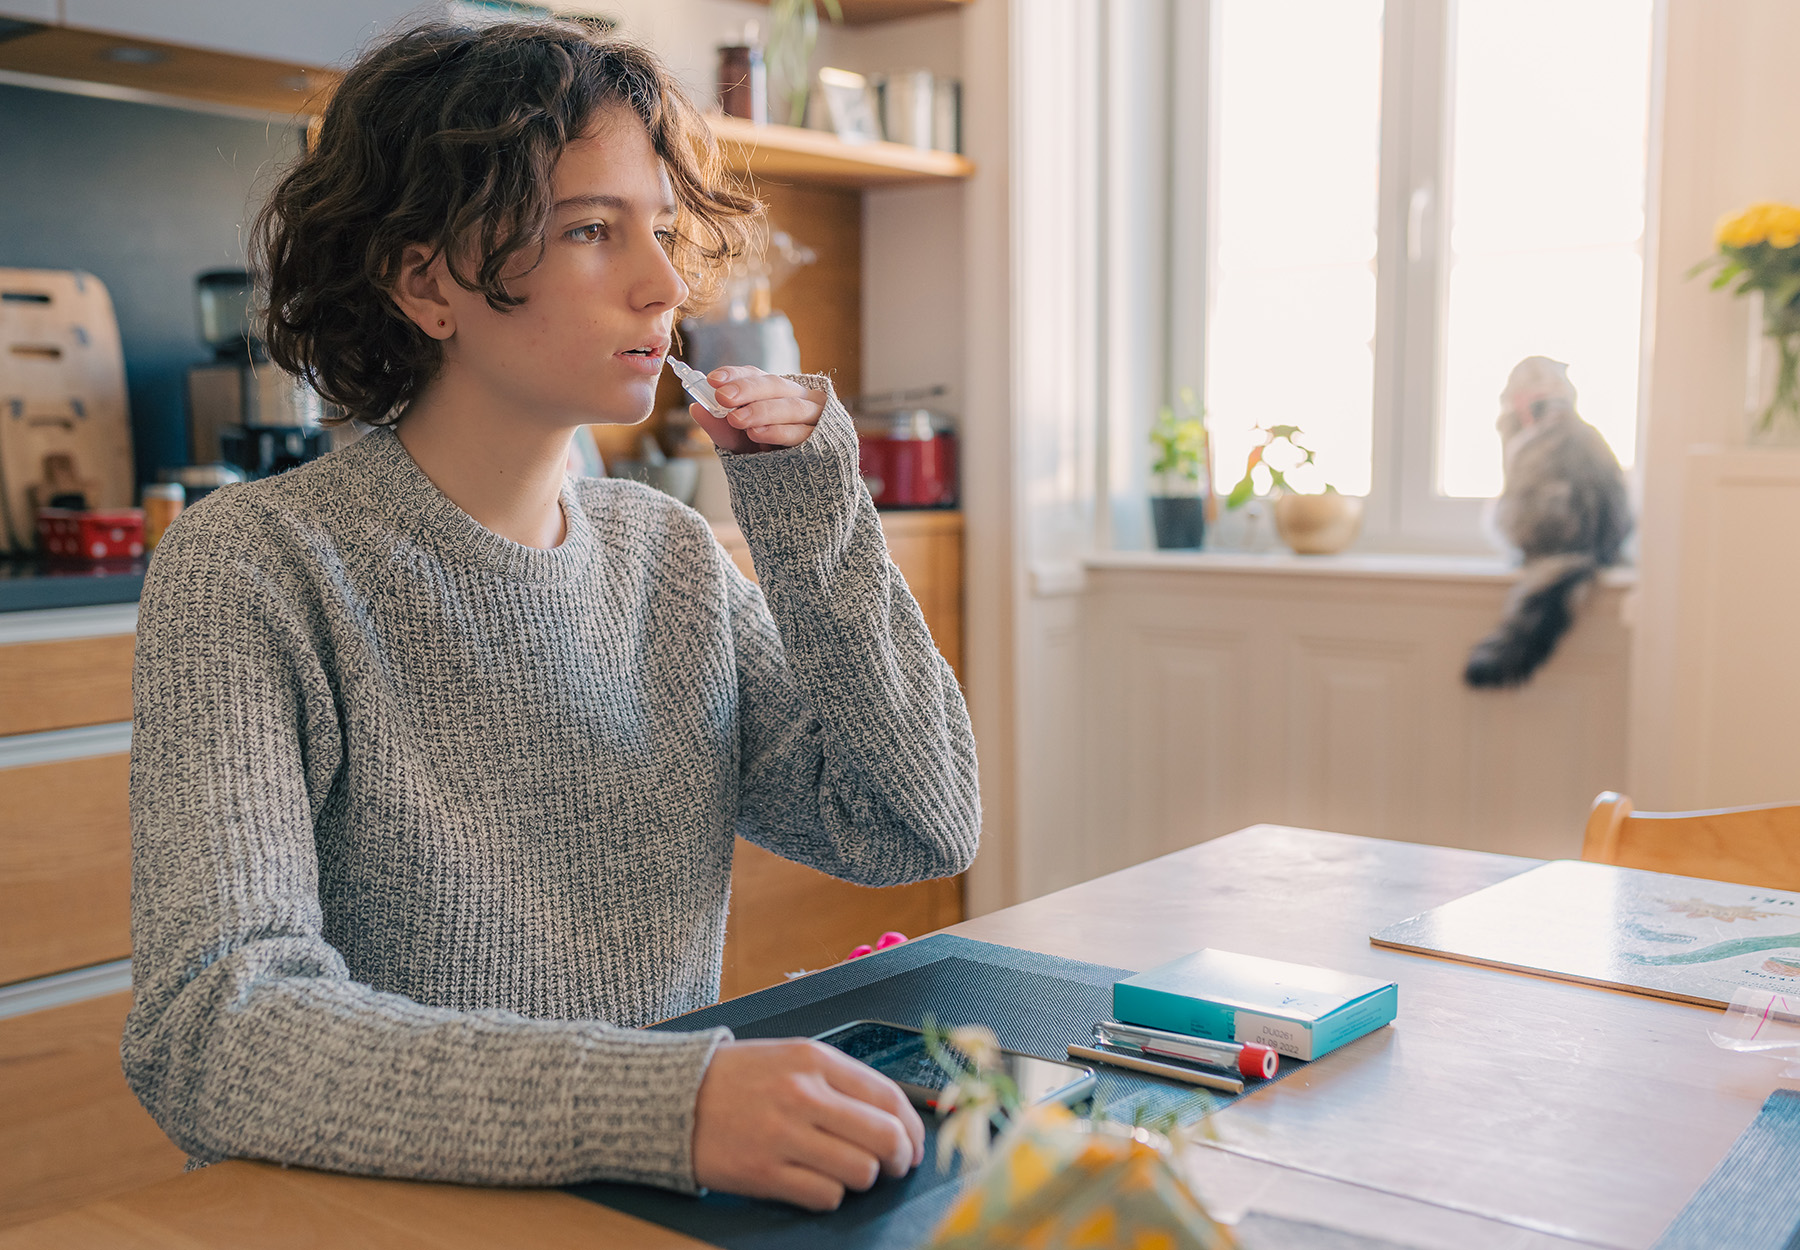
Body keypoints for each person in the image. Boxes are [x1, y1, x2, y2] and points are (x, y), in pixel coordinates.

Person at [123, 19, 979, 1213]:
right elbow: (215, 1026)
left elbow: (915, 825)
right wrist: (665, 1104)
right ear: (425, 281)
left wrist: (814, 503)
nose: (667, 286)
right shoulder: (255, 567)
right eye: (591, 230)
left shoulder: (667, 556)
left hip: (649, 1203)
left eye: (665, 234)